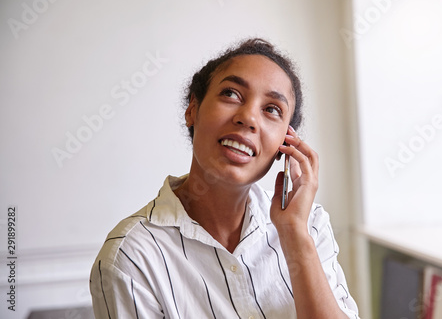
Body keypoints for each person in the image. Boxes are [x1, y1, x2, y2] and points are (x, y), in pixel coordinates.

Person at [89, 38, 359, 319]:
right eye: (231, 94)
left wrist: (294, 235)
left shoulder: (310, 226)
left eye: (271, 110)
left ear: (286, 143)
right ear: (192, 109)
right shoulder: (131, 255)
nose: (248, 118)